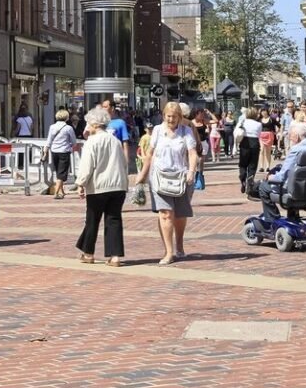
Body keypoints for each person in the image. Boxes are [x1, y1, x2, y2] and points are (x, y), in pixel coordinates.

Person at [137, 101, 198, 265]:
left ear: (180, 117)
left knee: (180, 214)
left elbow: (192, 153)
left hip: (180, 177)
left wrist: (191, 171)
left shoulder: (186, 131)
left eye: (174, 117)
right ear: (164, 116)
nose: (171, 120)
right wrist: (142, 174)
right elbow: (150, 154)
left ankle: (179, 244)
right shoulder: (157, 130)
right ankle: (169, 252)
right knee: (165, 214)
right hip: (159, 177)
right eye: (168, 116)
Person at [74, 106, 129, 267]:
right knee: (114, 219)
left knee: (92, 219)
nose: (87, 127)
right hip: (117, 185)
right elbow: (123, 163)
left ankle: (88, 253)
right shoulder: (115, 141)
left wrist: (80, 183)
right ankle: (115, 256)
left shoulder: (92, 142)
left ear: (95, 124)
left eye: (88, 123)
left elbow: (87, 165)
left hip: (98, 186)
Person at [257, 122, 306, 222]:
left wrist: (270, 177)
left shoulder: (296, 149)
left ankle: (272, 219)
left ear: (297, 136)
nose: (289, 138)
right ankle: (293, 216)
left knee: (263, 187)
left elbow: (282, 176)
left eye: (291, 135)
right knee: (294, 180)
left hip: (293, 190)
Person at [43, 109, 77, 199]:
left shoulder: (52, 127)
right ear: (67, 117)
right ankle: (57, 193)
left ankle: (62, 191)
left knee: (58, 171)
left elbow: (49, 140)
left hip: (54, 151)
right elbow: (74, 141)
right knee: (62, 173)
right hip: (64, 151)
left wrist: (45, 151)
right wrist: (71, 146)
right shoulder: (68, 128)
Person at [236, 107, 262, 193]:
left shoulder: (243, 122)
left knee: (243, 163)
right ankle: (250, 181)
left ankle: (242, 177)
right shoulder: (258, 124)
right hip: (255, 143)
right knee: (252, 164)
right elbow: (259, 134)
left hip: (244, 142)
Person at [257, 108, 279, 173]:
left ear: (267, 112)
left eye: (265, 111)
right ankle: (261, 167)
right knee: (262, 150)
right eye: (262, 112)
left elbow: (279, 125)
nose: (263, 113)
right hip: (261, 136)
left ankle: (268, 167)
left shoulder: (271, 119)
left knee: (268, 151)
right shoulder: (259, 119)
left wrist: (276, 132)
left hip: (269, 136)